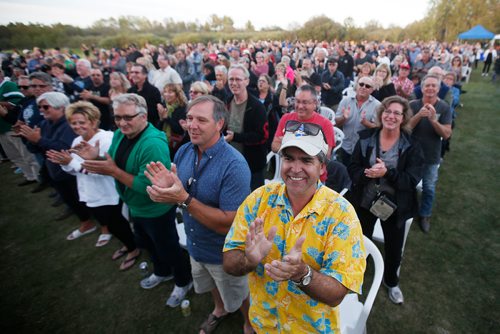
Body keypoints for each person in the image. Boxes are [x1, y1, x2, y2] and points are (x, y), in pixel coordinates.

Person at [222, 122, 366, 333]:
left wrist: (302, 273)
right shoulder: (259, 199)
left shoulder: (341, 215)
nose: (295, 169)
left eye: (306, 160)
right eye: (289, 158)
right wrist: (249, 260)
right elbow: (229, 261)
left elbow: (336, 294)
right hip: (264, 323)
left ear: (323, 167)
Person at [144, 95, 253, 334]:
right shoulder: (184, 151)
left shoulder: (235, 166)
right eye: (189, 118)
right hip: (195, 243)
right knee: (210, 284)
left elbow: (228, 224)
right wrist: (165, 190)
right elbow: (179, 190)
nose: (192, 125)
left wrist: (182, 198)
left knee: (240, 293)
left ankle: (249, 323)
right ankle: (219, 309)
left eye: (201, 120)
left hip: (224, 252)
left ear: (219, 124)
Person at [76, 93, 192, 304]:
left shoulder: (152, 144)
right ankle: (162, 271)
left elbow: (149, 185)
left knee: (168, 247)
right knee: (147, 243)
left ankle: (183, 280)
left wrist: (113, 172)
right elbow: (114, 163)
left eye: (128, 117)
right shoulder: (122, 134)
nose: (122, 123)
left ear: (144, 116)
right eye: (118, 117)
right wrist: (97, 158)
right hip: (135, 206)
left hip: (155, 208)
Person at [347, 96, 424, 304]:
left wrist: (387, 172)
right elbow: (352, 168)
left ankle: (391, 282)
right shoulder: (365, 138)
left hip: (395, 206)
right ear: (381, 114)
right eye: (387, 111)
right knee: (360, 241)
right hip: (364, 201)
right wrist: (367, 174)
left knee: (393, 246)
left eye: (397, 113)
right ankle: (355, 277)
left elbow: (411, 180)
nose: (391, 116)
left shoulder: (412, 145)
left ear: (403, 117)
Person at [46, 101, 140, 267]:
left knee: (118, 223)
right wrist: (65, 163)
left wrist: (72, 162)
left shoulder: (106, 139)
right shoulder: (76, 141)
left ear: (94, 121)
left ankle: (133, 249)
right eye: (73, 123)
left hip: (108, 192)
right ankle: (127, 245)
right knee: (110, 224)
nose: (77, 126)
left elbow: (104, 170)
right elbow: (74, 170)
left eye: (82, 122)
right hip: (91, 192)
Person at [18, 92, 95, 233]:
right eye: (40, 107)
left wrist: (39, 140)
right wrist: (31, 139)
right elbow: (37, 148)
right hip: (54, 168)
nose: (41, 110)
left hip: (70, 171)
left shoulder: (69, 125)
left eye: (46, 107)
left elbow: (66, 148)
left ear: (61, 107)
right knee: (68, 198)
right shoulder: (44, 124)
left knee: (80, 198)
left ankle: (95, 222)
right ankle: (86, 221)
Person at [409, 74, 452, 233]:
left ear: (439, 89)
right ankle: (409, 210)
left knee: (428, 187)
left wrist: (434, 120)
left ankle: (425, 214)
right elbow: (405, 128)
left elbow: (447, 134)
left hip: (431, 156)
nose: (430, 88)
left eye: (434, 85)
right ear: (422, 87)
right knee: (408, 184)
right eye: (427, 85)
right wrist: (419, 115)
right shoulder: (413, 105)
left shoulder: (445, 107)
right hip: (412, 155)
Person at [226, 64, 268, 190]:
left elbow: (262, 136)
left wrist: (235, 137)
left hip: (252, 165)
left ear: (247, 81)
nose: (234, 83)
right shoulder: (227, 102)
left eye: (238, 79)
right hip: (230, 162)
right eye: (231, 79)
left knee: (254, 202)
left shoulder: (257, 107)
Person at [335, 76, 381, 166]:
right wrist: (344, 118)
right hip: (346, 146)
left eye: (367, 86)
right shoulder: (345, 101)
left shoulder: (377, 105)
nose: (363, 87)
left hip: (364, 150)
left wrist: (366, 123)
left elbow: (378, 128)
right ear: (357, 86)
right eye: (361, 84)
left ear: (372, 90)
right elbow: (337, 122)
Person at [156, 83, 187, 159]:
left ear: (177, 94)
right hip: (163, 143)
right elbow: (158, 129)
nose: (167, 94)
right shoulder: (163, 106)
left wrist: (167, 118)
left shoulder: (182, 108)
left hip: (176, 145)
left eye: (170, 92)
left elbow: (179, 130)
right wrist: (161, 119)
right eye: (165, 92)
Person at [127, 63, 162, 128]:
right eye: (132, 72)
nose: (133, 75)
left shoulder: (154, 91)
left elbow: (156, 113)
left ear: (145, 75)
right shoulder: (130, 91)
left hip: (149, 126)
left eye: (137, 72)